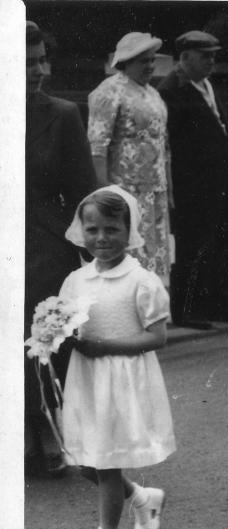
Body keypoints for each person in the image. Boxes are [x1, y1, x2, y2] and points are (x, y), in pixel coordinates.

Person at [59, 186, 174, 529]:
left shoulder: (141, 282)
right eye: (92, 230)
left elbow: (156, 337)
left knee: (105, 465)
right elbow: (63, 325)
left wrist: (106, 345)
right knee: (86, 463)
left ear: (130, 230)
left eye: (112, 229)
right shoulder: (76, 280)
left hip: (123, 381)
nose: (102, 238)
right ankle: (143, 498)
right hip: (87, 380)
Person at [25, 21, 98, 476]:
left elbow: (82, 192)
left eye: (40, 60)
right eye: (26, 63)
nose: (38, 71)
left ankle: (47, 435)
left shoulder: (64, 114)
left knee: (42, 341)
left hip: (45, 245)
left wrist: (95, 259)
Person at [159, 30, 228, 330]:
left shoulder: (206, 84)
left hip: (221, 182)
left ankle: (224, 306)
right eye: (205, 56)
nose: (212, 61)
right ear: (184, 57)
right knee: (194, 246)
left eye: (214, 55)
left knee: (227, 241)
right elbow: (171, 144)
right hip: (193, 185)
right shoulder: (171, 89)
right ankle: (187, 310)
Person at [88, 32, 171, 286]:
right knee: (126, 251)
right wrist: (104, 192)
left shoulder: (151, 93)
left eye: (152, 60)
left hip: (153, 191)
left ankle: (148, 307)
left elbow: (163, 143)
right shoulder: (110, 91)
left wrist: (168, 187)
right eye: (144, 61)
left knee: (151, 252)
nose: (150, 66)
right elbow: (97, 146)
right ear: (127, 61)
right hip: (125, 191)